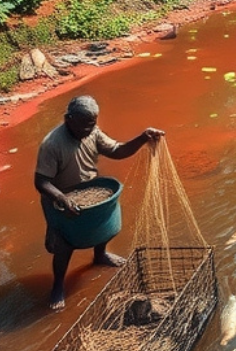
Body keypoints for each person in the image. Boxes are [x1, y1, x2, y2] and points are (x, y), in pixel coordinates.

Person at [35, 95, 164, 310]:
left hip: (90, 189)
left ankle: (100, 255)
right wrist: (62, 199)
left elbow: (117, 150)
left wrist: (142, 138)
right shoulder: (52, 144)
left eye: (92, 124)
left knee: (105, 227)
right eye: (84, 125)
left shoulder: (92, 131)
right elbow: (41, 182)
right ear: (68, 119)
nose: (88, 129)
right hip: (59, 197)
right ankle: (58, 285)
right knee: (64, 245)